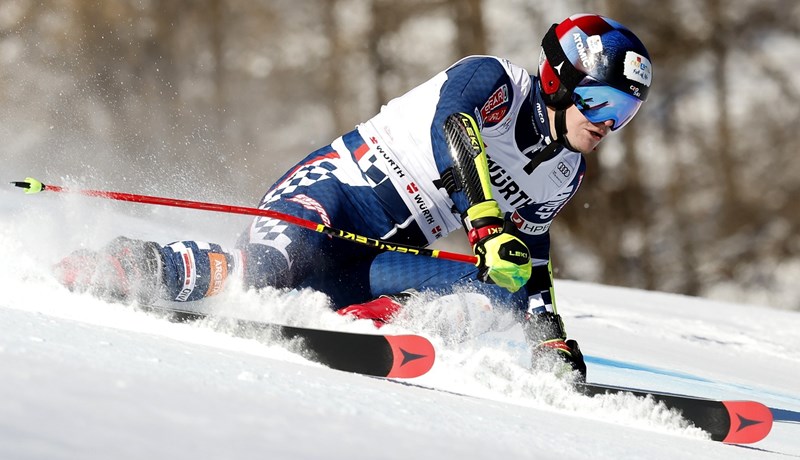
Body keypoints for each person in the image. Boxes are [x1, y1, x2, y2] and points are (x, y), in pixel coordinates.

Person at [56, 14, 652, 381]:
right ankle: (133, 263)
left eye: (623, 113)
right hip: (334, 197)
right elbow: (456, 136)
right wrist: (487, 224)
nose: (607, 123)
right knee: (269, 274)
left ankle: (357, 322)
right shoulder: (492, 80)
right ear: (559, 80)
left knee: (493, 291)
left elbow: (532, 257)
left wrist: (547, 335)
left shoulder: (564, 173)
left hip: (372, 257)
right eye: (601, 102)